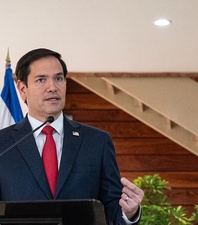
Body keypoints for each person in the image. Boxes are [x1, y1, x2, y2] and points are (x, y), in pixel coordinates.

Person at [0, 48, 144, 225]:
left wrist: (129, 213)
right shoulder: (3, 144)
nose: (52, 87)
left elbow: (111, 208)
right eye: (41, 80)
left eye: (59, 78)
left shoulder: (97, 142)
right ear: (22, 89)